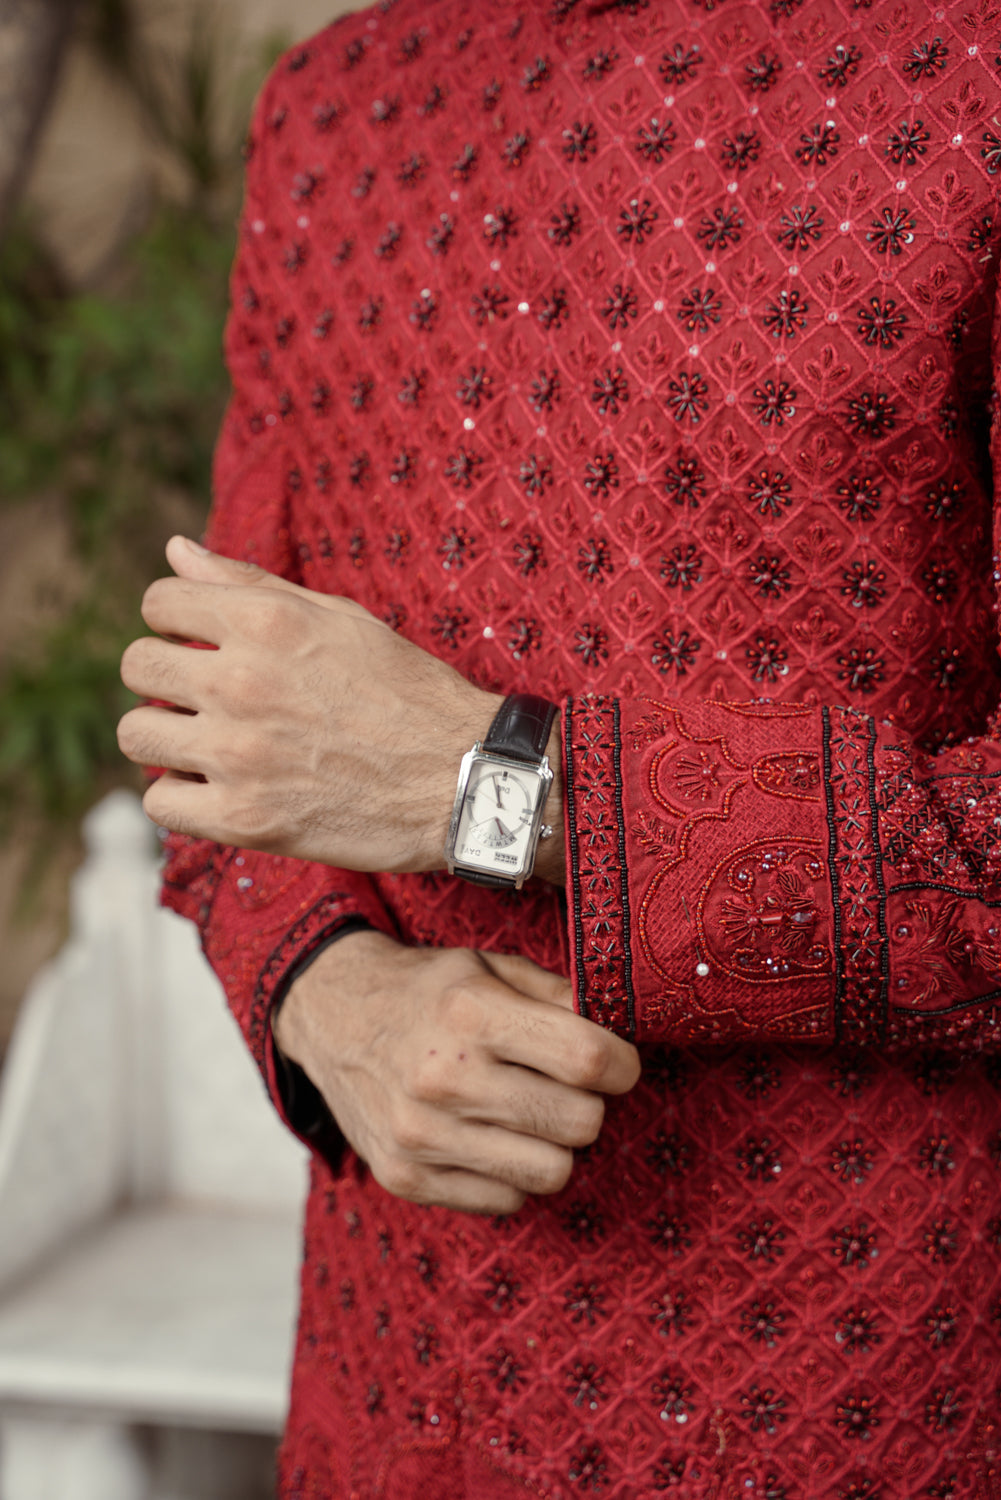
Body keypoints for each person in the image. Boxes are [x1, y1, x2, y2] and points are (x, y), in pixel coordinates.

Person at [117, 0, 1001, 1494]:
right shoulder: (331, 103)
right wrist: (324, 993)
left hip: (880, 1398)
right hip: (392, 1382)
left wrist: (491, 783)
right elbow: (234, 719)